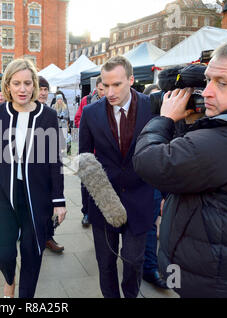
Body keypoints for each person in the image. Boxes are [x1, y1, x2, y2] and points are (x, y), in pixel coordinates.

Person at [133, 39, 227, 298]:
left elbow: (149, 161)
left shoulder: (226, 140)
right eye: (208, 80)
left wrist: (164, 119)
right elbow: (195, 170)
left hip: (214, 282)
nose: (207, 92)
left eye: (223, 83)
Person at [0, 59, 67, 298]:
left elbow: (55, 160)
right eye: (16, 83)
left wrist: (59, 200)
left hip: (37, 196)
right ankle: (9, 279)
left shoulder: (48, 116)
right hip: (2, 194)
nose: (22, 89)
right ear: (8, 85)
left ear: (34, 85)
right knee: (2, 252)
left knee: (32, 251)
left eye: (27, 83)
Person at [79, 55, 154, 298]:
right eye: (105, 85)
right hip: (104, 200)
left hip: (140, 198)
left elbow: (163, 152)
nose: (109, 92)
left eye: (117, 85)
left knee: (133, 261)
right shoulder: (90, 113)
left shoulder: (151, 106)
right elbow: (84, 160)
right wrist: (87, 205)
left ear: (131, 80)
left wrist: (163, 195)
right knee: (106, 264)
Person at [140, 83, 168, 290]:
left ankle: (150, 267)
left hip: (156, 182)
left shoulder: (170, 121)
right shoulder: (142, 117)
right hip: (138, 179)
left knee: (151, 225)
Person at [38, 76, 64, 254]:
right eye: (40, 89)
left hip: (47, 167)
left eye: (46, 89)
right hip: (29, 170)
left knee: (48, 206)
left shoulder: (50, 113)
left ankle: (48, 237)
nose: (43, 92)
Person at [75, 77, 105, 228]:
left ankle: (100, 212)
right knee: (86, 183)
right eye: (101, 89)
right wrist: (90, 125)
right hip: (89, 151)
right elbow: (77, 119)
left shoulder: (113, 101)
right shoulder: (87, 101)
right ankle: (86, 212)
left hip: (106, 153)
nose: (104, 92)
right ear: (97, 88)